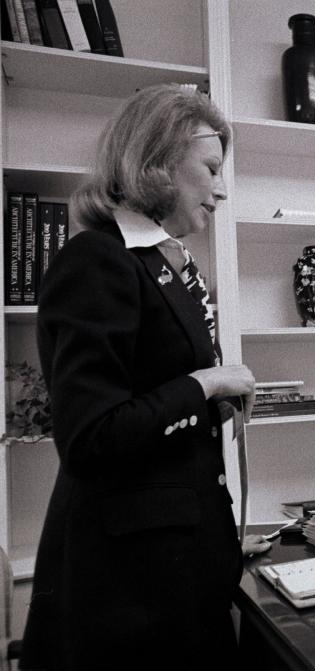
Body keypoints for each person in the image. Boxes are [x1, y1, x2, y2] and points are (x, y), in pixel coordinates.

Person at [20, 84, 268, 671]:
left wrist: (216, 537)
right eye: (210, 168)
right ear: (156, 161)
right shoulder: (97, 260)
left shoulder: (165, 265)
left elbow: (162, 445)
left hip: (178, 569)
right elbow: (91, 437)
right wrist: (208, 385)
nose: (222, 190)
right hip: (128, 600)